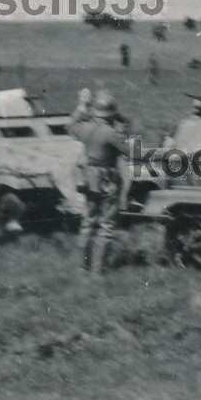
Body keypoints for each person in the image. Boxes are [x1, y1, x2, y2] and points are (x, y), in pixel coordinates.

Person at [68, 92, 132, 274]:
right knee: (106, 225)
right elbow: (133, 151)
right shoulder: (112, 133)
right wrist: (124, 125)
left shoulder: (85, 128)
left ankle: (82, 267)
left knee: (87, 222)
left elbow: (70, 125)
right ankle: (97, 269)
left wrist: (81, 107)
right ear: (111, 114)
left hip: (88, 180)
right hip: (107, 181)